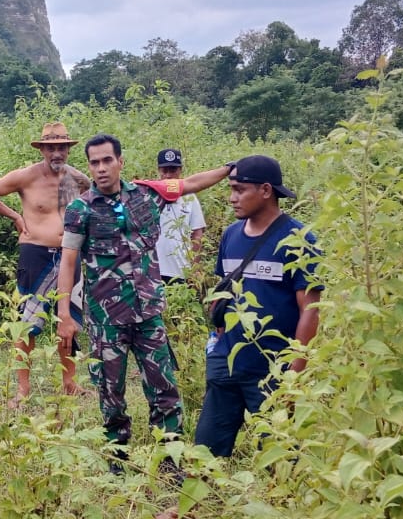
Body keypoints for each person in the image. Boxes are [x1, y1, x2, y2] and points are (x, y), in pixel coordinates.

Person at [55, 133, 233, 455]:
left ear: (120, 162)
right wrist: (64, 314)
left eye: (107, 160)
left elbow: (191, 183)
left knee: (164, 386)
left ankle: (170, 455)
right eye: (94, 162)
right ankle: (117, 453)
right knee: (110, 391)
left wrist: (230, 168)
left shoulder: (148, 194)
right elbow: (68, 262)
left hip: (149, 312)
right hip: (106, 319)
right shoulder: (80, 209)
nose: (101, 168)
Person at [193, 155, 322, 457]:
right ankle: (191, 505)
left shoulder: (298, 239)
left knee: (280, 455)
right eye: (231, 189)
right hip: (229, 360)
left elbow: (312, 310)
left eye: (239, 190)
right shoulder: (231, 236)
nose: (232, 198)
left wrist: (294, 374)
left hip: (272, 369)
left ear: (266, 190)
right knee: (205, 450)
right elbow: (224, 292)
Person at [0, 122, 92, 403]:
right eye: (51, 147)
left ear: (68, 149)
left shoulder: (76, 180)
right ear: (42, 149)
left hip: (68, 255)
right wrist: (15, 216)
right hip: (35, 254)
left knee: (69, 319)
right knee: (28, 323)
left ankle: (69, 381)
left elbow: (87, 206)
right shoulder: (27, 176)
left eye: (61, 147)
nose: (57, 153)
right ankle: (23, 388)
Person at [155, 149, 206, 283]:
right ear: (158, 171)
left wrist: (195, 269)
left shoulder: (190, 198)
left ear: (180, 170)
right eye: (164, 171)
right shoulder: (149, 195)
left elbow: (197, 234)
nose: (168, 175)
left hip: (181, 271)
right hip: (153, 272)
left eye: (173, 171)